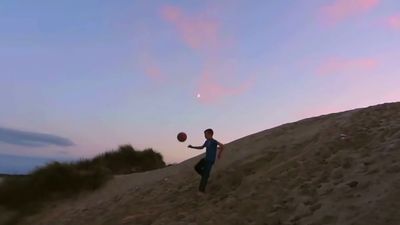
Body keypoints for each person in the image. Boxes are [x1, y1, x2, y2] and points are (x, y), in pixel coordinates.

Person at [188, 128, 224, 193]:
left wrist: (219, 154)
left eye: (206, 134)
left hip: (210, 161)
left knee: (204, 176)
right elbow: (201, 147)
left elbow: (222, 146)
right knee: (197, 167)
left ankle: (201, 190)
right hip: (205, 159)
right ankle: (205, 175)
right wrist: (192, 147)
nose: (205, 136)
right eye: (204, 134)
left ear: (210, 134)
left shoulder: (213, 141)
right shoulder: (207, 141)